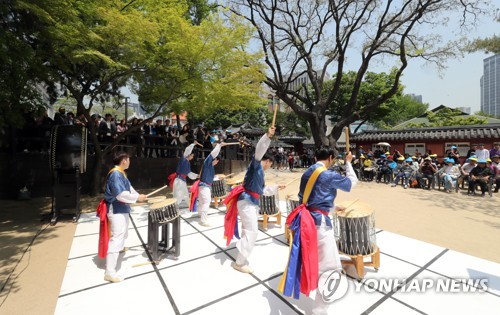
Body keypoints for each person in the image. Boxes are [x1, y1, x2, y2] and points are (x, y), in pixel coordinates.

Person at [279, 147, 358, 315]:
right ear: (330, 157)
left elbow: (311, 198)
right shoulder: (327, 174)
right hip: (319, 224)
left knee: (312, 259)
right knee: (330, 268)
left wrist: (332, 206)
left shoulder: (308, 172)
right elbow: (351, 183)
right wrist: (348, 163)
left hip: (306, 221)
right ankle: (319, 310)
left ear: (315, 157)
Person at [224, 127, 278, 273]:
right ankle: (240, 263)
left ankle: (241, 254)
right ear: (267, 161)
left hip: (251, 202)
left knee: (248, 230)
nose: (269, 167)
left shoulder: (260, 173)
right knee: (252, 231)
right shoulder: (256, 165)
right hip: (246, 201)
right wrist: (268, 136)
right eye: (270, 164)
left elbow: (261, 191)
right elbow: (259, 150)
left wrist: (276, 187)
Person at [103, 151, 147, 282]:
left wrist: (139, 196)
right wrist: (136, 198)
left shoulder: (121, 173)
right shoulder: (115, 174)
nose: (129, 161)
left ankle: (119, 249)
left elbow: (130, 189)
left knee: (122, 233)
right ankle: (109, 272)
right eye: (128, 159)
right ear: (124, 160)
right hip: (116, 208)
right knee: (117, 237)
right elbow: (120, 195)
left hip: (121, 207)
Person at [190, 142, 228, 226]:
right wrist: (219, 146)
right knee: (206, 202)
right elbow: (212, 154)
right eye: (216, 161)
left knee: (202, 201)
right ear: (215, 159)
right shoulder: (207, 162)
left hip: (203, 186)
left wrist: (217, 178)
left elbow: (211, 177)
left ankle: (200, 214)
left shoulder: (210, 166)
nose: (216, 162)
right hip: (204, 186)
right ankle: (203, 220)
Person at [168, 143, 200, 209]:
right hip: (179, 181)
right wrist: (193, 144)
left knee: (185, 194)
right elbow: (187, 150)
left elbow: (189, 173)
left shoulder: (187, 162)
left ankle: (190, 206)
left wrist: (197, 176)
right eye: (192, 156)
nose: (192, 157)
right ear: (189, 155)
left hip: (181, 180)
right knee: (179, 196)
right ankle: (175, 209)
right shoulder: (183, 159)